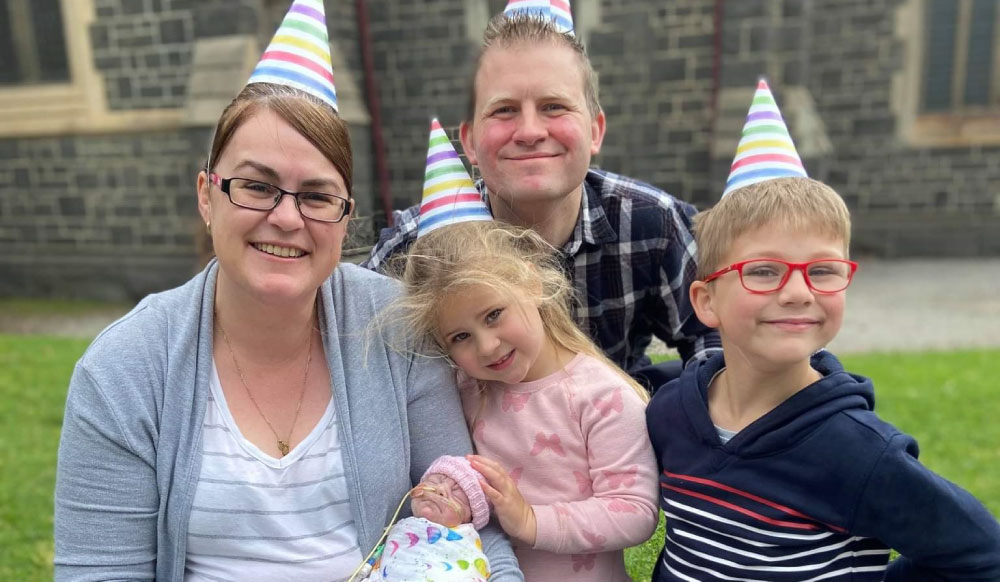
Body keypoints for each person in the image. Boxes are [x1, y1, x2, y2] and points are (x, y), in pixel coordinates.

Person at [53, 2, 522, 581]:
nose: (286, 218)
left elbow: (470, 521)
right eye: (256, 185)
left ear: (345, 218)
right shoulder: (125, 370)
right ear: (207, 195)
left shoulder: (395, 325)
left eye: (317, 196)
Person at [646, 80, 1000, 581]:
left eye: (823, 271)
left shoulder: (859, 454)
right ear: (706, 301)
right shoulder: (671, 412)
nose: (797, 292)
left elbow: (981, 552)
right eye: (764, 270)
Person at [364, 10, 721, 389]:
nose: (530, 131)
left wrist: (685, 418)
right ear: (468, 142)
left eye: (554, 106)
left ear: (595, 130)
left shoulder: (652, 223)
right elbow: (347, 361)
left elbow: (718, 338)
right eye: (504, 110)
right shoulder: (413, 252)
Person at [392, 220, 659, 581]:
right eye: (460, 336)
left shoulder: (602, 396)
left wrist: (531, 521)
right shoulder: (466, 390)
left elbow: (635, 511)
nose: (487, 346)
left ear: (531, 284)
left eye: (494, 315)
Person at [362, 455, 491, 582]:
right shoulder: (395, 528)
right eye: (435, 481)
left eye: (457, 494)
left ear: (469, 519)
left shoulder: (466, 543)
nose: (440, 489)